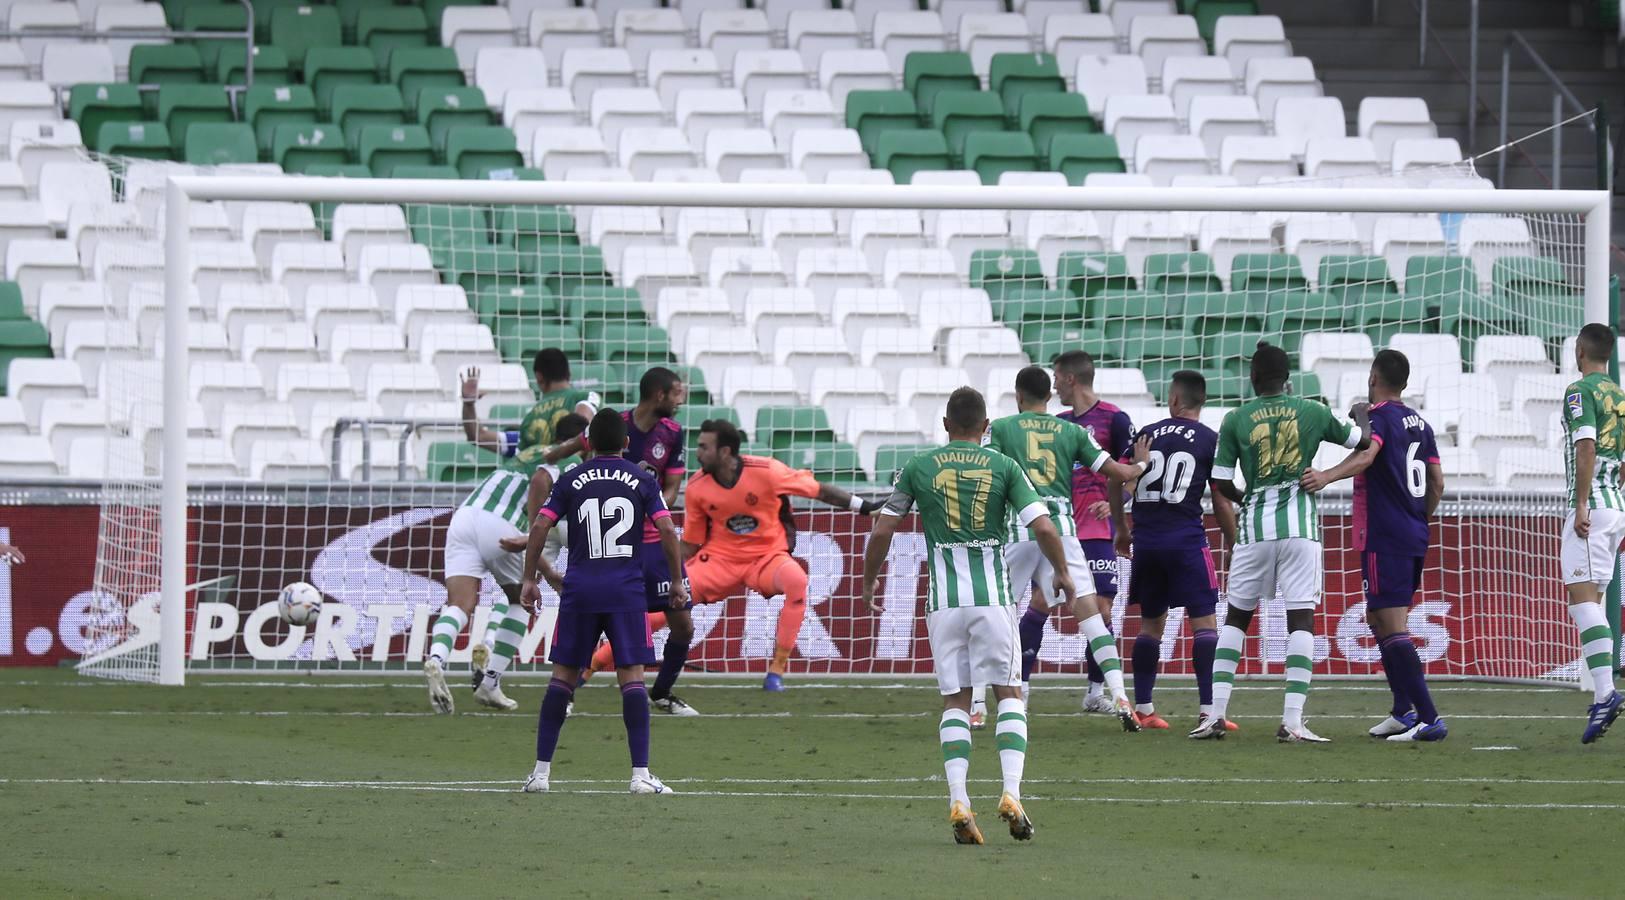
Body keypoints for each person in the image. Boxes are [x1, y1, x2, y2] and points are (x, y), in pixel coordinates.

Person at [863, 387, 1075, 845]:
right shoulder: (1004, 465)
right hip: (993, 601)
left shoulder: (918, 468)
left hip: (944, 604)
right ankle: (1012, 792)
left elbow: (883, 527)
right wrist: (1061, 571)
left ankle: (959, 799)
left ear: (945, 424)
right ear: (985, 428)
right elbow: (1041, 525)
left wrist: (867, 580)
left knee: (956, 701)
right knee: (1009, 693)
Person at [1200, 343, 1370, 742]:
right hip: (1299, 528)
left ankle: (1215, 715)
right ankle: (1292, 720)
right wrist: (1362, 410)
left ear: (1254, 378)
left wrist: (1250, 497)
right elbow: (1362, 441)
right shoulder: (1312, 410)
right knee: (1301, 621)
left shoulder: (1236, 418)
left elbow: (1221, 482)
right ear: (1287, 377)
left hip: (1254, 529)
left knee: (1237, 618)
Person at [519, 409, 687, 795]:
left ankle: (540, 774)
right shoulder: (643, 478)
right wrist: (676, 581)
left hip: (580, 588)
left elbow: (540, 525)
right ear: (627, 443)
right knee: (631, 679)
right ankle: (640, 776)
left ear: (589, 444)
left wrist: (530, 578)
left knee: (562, 678)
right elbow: (666, 528)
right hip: (626, 590)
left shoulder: (570, 478)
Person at [987, 366, 1149, 731]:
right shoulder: (1072, 430)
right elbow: (1118, 474)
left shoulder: (1001, 428)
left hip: (1018, 528)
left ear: (1018, 396)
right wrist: (1141, 463)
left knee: (998, 616)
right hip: (1062, 529)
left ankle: (987, 705)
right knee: (1092, 617)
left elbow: (988, 476)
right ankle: (1121, 695)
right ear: (1048, 396)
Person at [1301, 350, 1447, 742]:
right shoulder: (1421, 423)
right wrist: (1418, 518)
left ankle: (1429, 718)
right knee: (1378, 619)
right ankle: (1402, 712)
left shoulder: (1381, 419)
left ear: (1372, 376)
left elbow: (1368, 453)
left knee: (1391, 623)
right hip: (1413, 533)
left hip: (1385, 534)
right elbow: (1437, 483)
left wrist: (1326, 475)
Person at [676, 419, 882, 690]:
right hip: (720, 560)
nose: (697, 452)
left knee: (797, 581)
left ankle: (777, 670)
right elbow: (691, 543)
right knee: (661, 606)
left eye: (703, 447)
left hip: (766, 558)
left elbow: (818, 491)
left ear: (724, 452)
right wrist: (659, 569)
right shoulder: (696, 486)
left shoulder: (767, 471)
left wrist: (865, 508)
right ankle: (600, 661)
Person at [553, 368, 698, 714]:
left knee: (683, 623)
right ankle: (567, 694)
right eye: (677, 393)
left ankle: (661, 692)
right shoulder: (614, 425)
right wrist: (552, 455)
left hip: (652, 538)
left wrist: (652, 506)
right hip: (611, 542)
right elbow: (581, 457)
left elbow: (673, 487)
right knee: (591, 620)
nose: (682, 400)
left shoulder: (673, 433)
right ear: (659, 395)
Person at [1111, 370, 1238, 733]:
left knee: (1151, 625)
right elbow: (1220, 497)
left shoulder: (1146, 434)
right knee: (1205, 624)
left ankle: (1145, 708)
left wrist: (1122, 528)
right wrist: (1233, 543)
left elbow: (1116, 476)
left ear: (1174, 399)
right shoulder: (1210, 439)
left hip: (1147, 542)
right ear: (1202, 401)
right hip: (1186, 541)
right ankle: (1209, 710)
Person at [459, 350, 598, 678]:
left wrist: (468, 404)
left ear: (538, 378)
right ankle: (591, 644)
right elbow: (587, 428)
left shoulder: (530, 425)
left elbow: (478, 436)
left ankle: (490, 641)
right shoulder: (583, 399)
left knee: (522, 584)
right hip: (573, 508)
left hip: (538, 516)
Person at [424, 451, 558, 714]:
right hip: (502, 523)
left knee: (460, 605)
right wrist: (549, 571)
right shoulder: (563, 460)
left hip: (464, 516)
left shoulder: (523, 453)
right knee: (521, 600)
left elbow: (480, 437)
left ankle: (436, 659)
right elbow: (541, 479)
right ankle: (491, 682)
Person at [1047, 350, 1137, 715]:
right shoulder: (1058, 424)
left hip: (1099, 529)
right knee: (1039, 604)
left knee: (1101, 610)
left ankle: (1094, 691)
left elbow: (1131, 470)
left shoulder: (1115, 419)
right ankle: (1019, 690)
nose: (1053, 385)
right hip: (1061, 530)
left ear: (1071, 378)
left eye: (1056, 377)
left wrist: (1120, 503)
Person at [1552, 323, 1625, 743]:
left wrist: (1582, 504)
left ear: (1580, 350)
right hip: (1614, 505)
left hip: (1592, 508)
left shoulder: (1580, 392)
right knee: (1591, 601)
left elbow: (1586, 446)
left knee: (1582, 604)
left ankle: (1606, 692)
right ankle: (1603, 694)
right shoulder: (1620, 394)